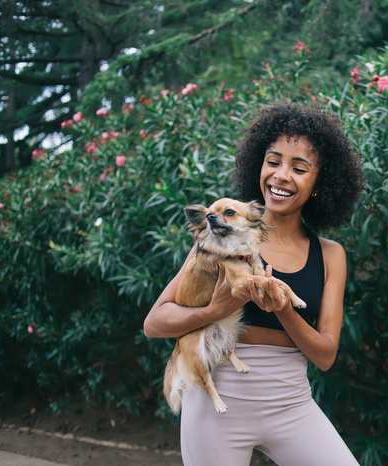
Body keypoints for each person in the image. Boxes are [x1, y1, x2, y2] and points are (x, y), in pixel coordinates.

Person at [144, 103, 366, 465]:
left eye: (299, 168)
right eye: (273, 161)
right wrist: (216, 310)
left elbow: (325, 355)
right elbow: (154, 323)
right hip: (217, 398)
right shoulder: (219, 239)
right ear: (257, 165)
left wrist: (283, 309)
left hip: (291, 401)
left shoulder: (331, 255)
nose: (280, 176)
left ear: (320, 184)